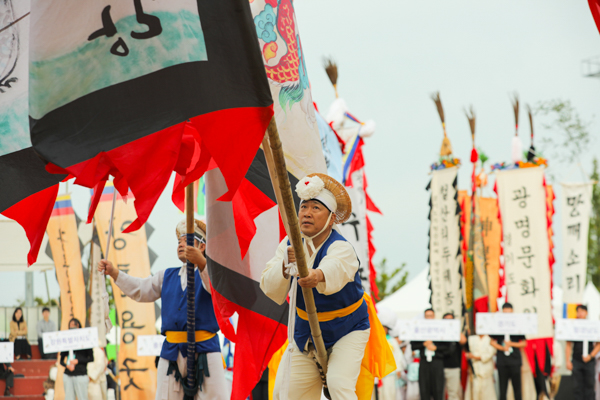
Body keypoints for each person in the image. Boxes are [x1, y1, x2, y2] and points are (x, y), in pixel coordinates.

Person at [261, 173, 390, 400]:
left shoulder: (342, 247)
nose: (307, 213)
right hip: (305, 333)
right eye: (304, 207)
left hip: (347, 329)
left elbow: (333, 268)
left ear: (331, 219)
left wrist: (316, 275)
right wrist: (284, 265)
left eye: (316, 208)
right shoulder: (288, 244)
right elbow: (268, 285)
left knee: (339, 384)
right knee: (285, 390)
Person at [98, 219, 228, 400]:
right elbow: (141, 289)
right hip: (172, 351)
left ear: (202, 245)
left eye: (186, 239)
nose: (181, 244)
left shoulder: (212, 272)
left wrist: (202, 263)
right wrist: (114, 273)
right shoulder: (166, 276)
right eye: (179, 241)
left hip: (205, 349)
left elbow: (218, 293)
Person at [410, 309, 451, 400]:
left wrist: (436, 348)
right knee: (424, 389)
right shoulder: (420, 330)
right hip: (424, 362)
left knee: (438, 388)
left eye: (431, 316)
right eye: (427, 316)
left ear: (434, 317)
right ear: (424, 317)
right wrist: (423, 344)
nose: (429, 318)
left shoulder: (440, 329)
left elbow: (447, 347)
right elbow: (413, 345)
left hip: (437, 362)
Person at [490, 303, 527, 400]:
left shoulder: (518, 325)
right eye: (505, 313)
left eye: (509, 313)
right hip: (502, 361)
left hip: (515, 361)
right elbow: (491, 342)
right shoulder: (498, 326)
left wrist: (511, 344)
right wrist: (502, 348)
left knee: (517, 390)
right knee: (502, 390)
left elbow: (524, 343)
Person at [565, 304, 600, 400]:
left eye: (582, 311)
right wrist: (567, 360)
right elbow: (568, 344)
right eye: (578, 311)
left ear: (586, 313)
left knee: (589, 385)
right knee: (576, 386)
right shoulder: (573, 326)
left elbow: (598, 344)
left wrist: (590, 356)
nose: (580, 314)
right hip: (576, 360)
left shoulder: (592, 326)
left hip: (589, 360)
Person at [60, 318, 94, 400]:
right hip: (68, 374)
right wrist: (67, 366)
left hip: (81, 374)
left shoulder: (86, 340)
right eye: (71, 326)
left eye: (75, 326)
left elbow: (91, 358)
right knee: (68, 397)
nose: (73, 328)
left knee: (82, 397)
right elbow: (61, 360)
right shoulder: (66, 341)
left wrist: (78, 361)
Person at [442, 312, 466, 400]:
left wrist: (454, 329)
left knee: (454, 394)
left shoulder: (457, 333)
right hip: (439, 367)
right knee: (439, 393)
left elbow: (463, 341)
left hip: (454, 367)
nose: (448, 322)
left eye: (451, 320)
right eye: (446, 320)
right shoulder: (438, 332)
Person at [464, 334, 496, 400]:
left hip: (486, 371)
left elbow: (489, 354)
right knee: (474, 392)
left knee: (487, 393)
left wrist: (474, 357)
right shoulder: (471, 338)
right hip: (474, 370)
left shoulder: (490, 339)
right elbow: (465, 347)